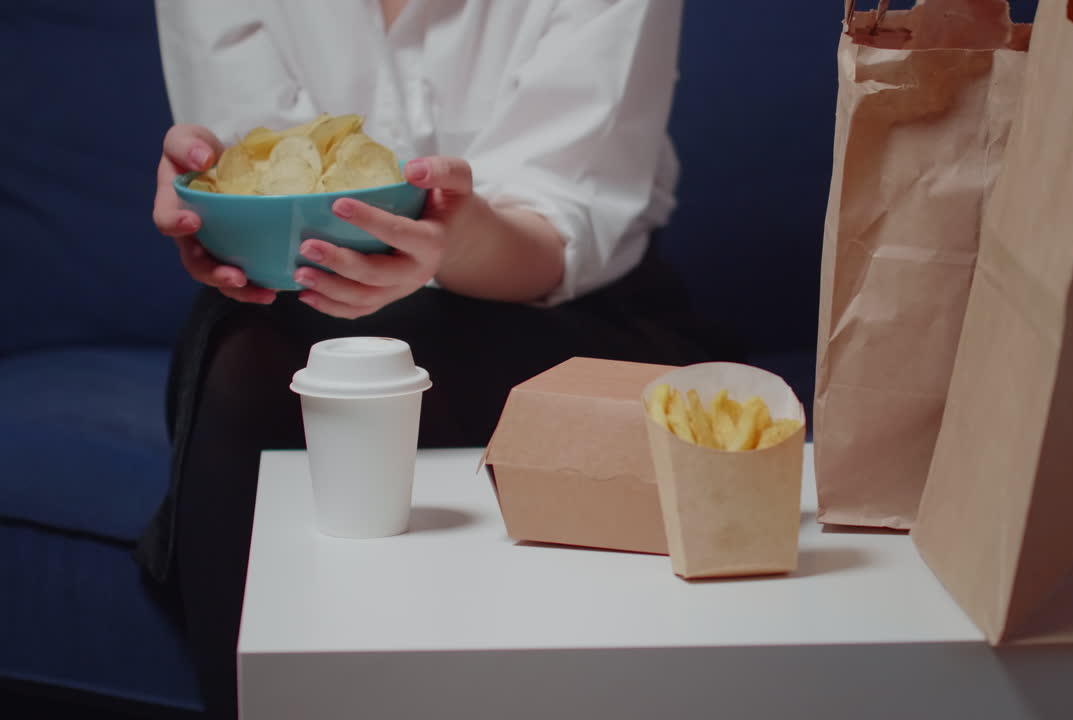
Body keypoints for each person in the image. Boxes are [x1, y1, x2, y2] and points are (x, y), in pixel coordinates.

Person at [136, 1, 728, 716]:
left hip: (559, 318)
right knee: (260, 356)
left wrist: (458, 239)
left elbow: (557, 224)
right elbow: (268, 186)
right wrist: (223, 213)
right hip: (303, 319)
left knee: (258, 368)